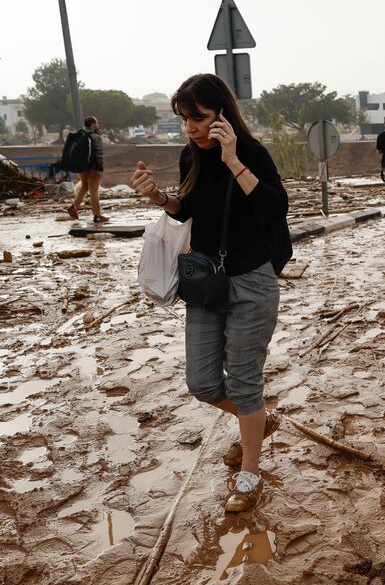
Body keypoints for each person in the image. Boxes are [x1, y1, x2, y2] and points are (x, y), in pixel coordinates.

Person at [130, 73, 291, 513]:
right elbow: (190, 212)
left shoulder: (251, 152)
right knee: (201, 383)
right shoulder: (189, 156)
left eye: (198, 119)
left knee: (243, 383)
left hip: (252, 282)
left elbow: (276, 208)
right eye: (184, 119)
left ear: (222, 115)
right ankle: (258, 420)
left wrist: (233, 159)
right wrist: (161, 198)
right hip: (205, 282)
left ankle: (249, 476)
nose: (191, 129)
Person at [65, 116, 109, 223]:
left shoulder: (80, 135)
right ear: (92, 124)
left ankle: (74, 207)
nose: (98, 125)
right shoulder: (95, 137)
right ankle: (97, 215)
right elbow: (98, 154)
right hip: (93, 168)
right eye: (97, 123)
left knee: (84, 187)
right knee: (94, 191)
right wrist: (99, 169)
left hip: (82, 167)